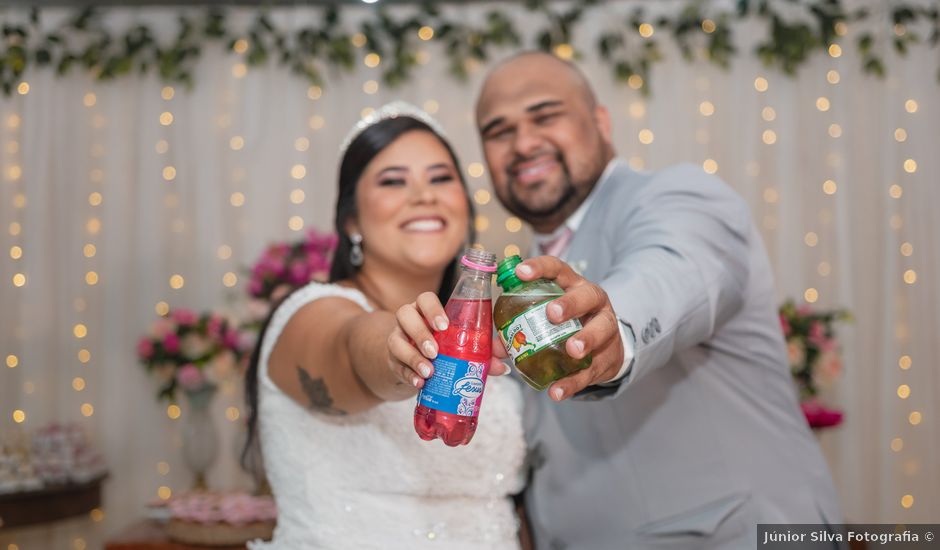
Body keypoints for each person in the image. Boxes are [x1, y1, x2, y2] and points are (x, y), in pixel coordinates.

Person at [389, 52, 843, 549]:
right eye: (499, 131)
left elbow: (674, 272)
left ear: (601, 122)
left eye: (545, 116)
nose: (523, 143)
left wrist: (611, 329)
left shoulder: (677, 196)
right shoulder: (504, 290)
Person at [243, 102, 526, 549]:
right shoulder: (311, 313)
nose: (423, 196)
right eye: (393, 181)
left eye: (440, 178)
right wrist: (400, 354)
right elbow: (356, 346)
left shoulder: (483, 333)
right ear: (352, 219)